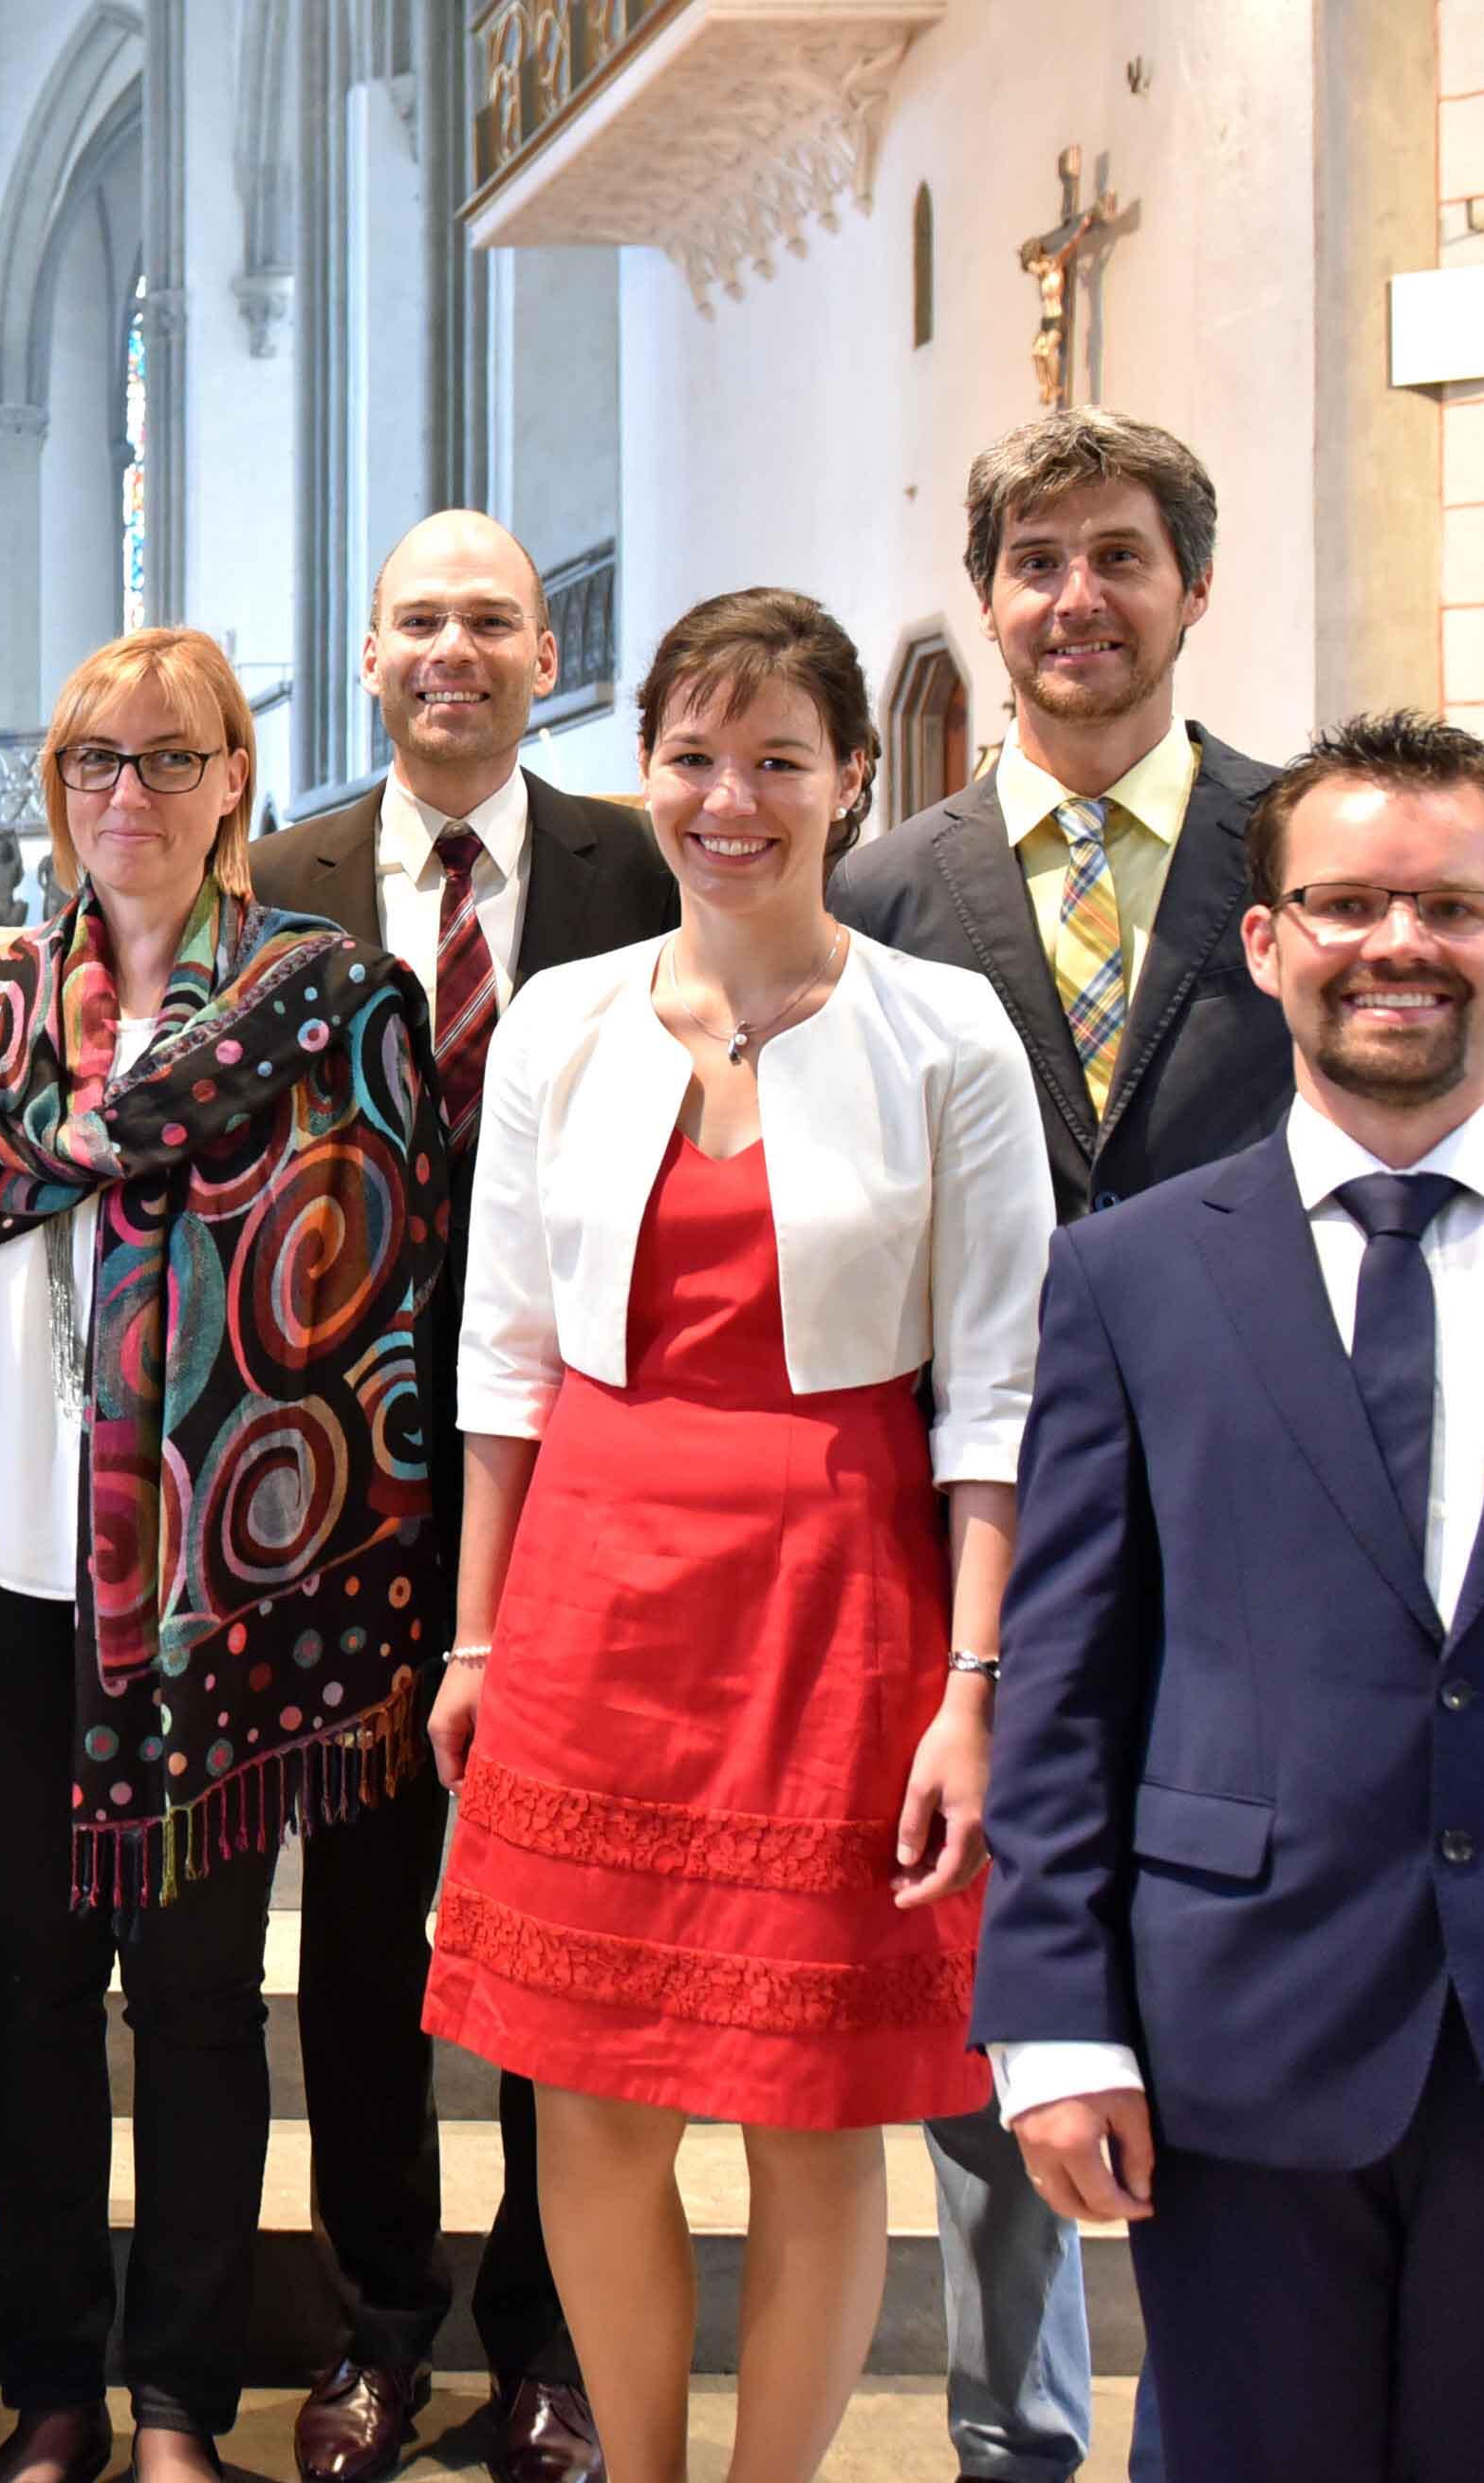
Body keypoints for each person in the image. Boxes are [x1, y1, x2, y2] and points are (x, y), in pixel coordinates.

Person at [979, 714, 1484, 2480]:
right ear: (1267, 941)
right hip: (1239, 2021)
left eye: (1452, 907)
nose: (1400, 944)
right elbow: (1068, 1679)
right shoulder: (1133, 1276)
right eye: (1349, 903)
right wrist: (1053, 2019)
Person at [421, 590, 1049, 2483]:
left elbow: (1000, 1397)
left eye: (777, 758)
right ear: (643, 773)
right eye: (692, 757)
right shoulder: (561, 1019)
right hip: (593, 1600)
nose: (730, 799)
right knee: (593, 2105)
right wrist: (473, 1642)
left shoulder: (944, 1033)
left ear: (850, 779)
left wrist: (971, 1685)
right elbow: (504, 1367)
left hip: (837, 1599)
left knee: (811, 2105)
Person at [0, 625, 442, 2483]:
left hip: (223, 1588)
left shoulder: (326, 1001)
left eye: (169, 758)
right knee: (29, 1986)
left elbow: (379, 1299)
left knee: (198, 2000)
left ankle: (178, 2404)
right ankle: (52, 2395)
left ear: (232, 785)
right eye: (93, 762)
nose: (127, 793)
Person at [827, 405, 1282, 2483]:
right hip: (974, 1500)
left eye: (1117, 558)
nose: (1075, 600)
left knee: (1236, 1939)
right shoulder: (881, 888)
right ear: (984, 599)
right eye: (1035, 563)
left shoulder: (1298, 850)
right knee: (992, 1945)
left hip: (1254, 1484)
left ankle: (1225, 2410)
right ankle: (1012, 2432)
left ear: (1193, 587)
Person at [247, 509, 678, 2483]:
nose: (452, 651)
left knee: (566, 1938)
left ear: (542, 655)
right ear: (367, 653)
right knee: (358, 1946)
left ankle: (550, 2341)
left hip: (578, 1483)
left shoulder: (637, 872)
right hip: (336, 1503)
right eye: (416, 618)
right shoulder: (277, 881)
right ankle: (375, 2330)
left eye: (488, 621)